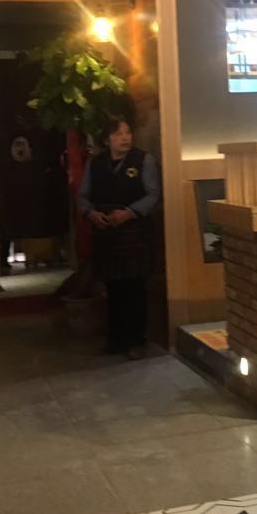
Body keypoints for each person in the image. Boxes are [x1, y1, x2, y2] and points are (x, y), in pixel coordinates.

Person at [77, 117, 161, 358]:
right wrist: (90, 213)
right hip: (106, 232)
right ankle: (115, 339)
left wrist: (129, 213)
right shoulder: (95, 163)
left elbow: (153, 194)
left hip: (134, 231)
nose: (125, 138)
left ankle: (136, 341)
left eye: (127, 133)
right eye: (118, 134)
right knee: (112, 287)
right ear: (107, 139)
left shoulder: (144, 160)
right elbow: (83, 195)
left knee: (135, 286)